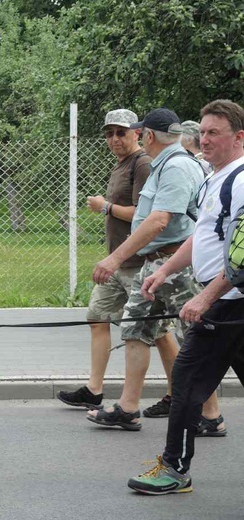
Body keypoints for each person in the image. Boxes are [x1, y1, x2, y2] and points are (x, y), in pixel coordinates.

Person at [128, 99, 244, 494]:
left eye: (214, 133)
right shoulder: (215, 177)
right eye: (203, 132)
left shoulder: (240, 180)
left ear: (239, 137)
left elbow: (242, 256)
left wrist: (205, 298)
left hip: (231, 304)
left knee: (186, 377)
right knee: (189, 378)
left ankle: (175, 470)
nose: (203, 139)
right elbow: (204, 236)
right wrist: (164, 270)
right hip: (227, 303)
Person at [87, 108, 214, 431]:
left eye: (140, 133)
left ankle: (210, 416)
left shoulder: (176, 166)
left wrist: (114, 258)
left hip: (175, 264)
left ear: (149, 135)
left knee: (192, 339)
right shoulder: (166, 164)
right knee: (135, 327)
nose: (139, 138)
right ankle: (128, 409)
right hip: (155, 263)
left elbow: (159, 221)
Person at [57, 109, 180, 416]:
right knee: (97, 317)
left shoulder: (143, 165)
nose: (114, 139)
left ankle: (177, 394)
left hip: (139, 262)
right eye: (109, 133)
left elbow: (144, 215)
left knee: (159, 332)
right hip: (116, 263)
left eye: (121, 132)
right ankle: (94, 390)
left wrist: (105, 207)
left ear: (138, 133)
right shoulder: (121, 165)